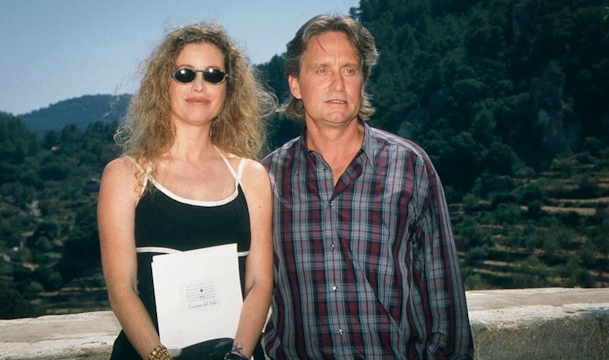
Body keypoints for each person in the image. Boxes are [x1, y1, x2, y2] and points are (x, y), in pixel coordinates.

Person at [261, 14, 474, 359]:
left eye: (349, 70)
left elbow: (445, 299)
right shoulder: (266, 178)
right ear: (295, 85)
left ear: (363, 81)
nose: (338, 83)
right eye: (321, 70)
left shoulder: (411, 166)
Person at [97, 23, 275, 360]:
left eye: (213, 75)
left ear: (228, 88)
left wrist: (238, 355)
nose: (199, 85)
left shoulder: (252, 177)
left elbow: (260, 283)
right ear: (163, 84)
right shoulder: (124, 176)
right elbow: (122, 290)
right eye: (184, 73)